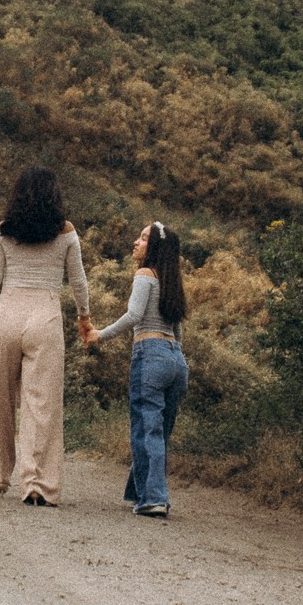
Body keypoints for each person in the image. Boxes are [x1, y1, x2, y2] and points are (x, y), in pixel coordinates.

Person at [0, 165, 94, 505]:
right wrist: (84, 318)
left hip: (5, 314)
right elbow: (78, 280)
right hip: (44, 315)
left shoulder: (3, 230)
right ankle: (38, 484)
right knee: (41, 403)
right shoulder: (65, 231)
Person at [88, 220, 189, 517]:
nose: (136, 242)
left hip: (151, 355)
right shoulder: (172, 282)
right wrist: (176, 358)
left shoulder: (145, 275)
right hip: (176, 361)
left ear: (154, 247)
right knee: (158, 433)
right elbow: (178, 331)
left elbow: (134, 315)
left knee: (147, 431)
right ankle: (140, 491)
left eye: (143, 238)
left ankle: (154, 498)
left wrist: (99, 335)